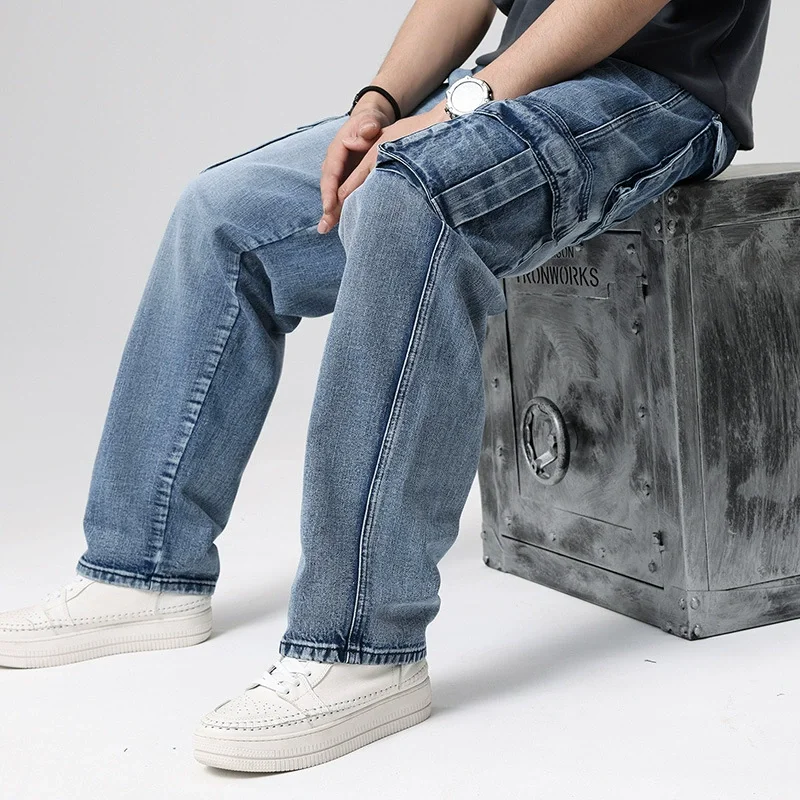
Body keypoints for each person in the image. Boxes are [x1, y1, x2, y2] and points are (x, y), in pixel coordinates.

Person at [1, 0, 770, 773]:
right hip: (514, 84)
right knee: (225, 215)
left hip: (655, 89)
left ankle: (360, 647)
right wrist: (378, 104)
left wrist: (471, 102)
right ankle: (144, 569)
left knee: (414, 195)